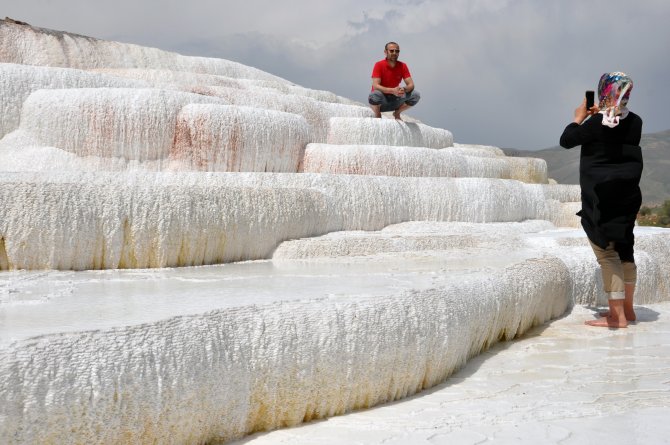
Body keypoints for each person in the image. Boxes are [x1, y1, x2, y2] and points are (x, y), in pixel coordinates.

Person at [559, 72, 643, 328]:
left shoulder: (595, 125)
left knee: (606, 254)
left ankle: (616, 318)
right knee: (625, 250)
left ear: (604, 91)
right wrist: (603, 113)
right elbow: (615, 127)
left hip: (601, 197)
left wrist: (579, 118)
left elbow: (566, 141)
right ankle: (628, 310)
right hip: (628, 195)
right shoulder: (637, 121)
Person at [368, 42, 420, 120]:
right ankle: (378, 115)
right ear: (385, 52)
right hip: (382, 101)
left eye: (397, 51)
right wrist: (392, 90)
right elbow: (375, 85)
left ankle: (397, 113)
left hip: (396, 99)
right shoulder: (379, 65)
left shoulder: (403, 66)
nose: (394, 53)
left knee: (415, 95)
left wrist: (404, 89)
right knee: (375, 94)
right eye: (391, 51)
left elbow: (411, 85)